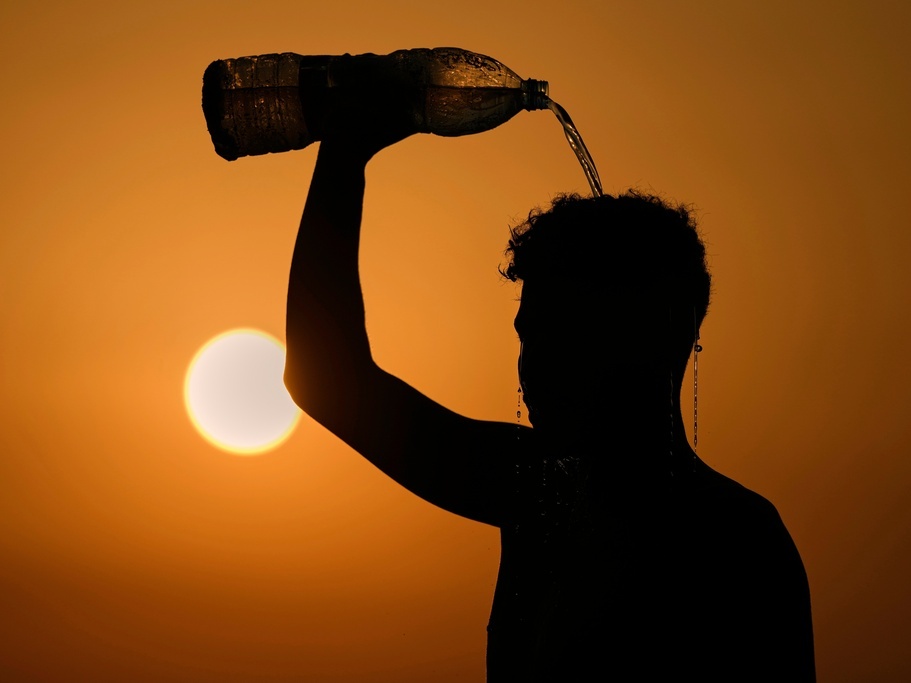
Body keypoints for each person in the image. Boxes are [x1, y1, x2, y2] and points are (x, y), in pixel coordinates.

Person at [283, 96, 815, 681]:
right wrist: (344, 153)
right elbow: (327, 381)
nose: (534, 368)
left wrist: (346, 151)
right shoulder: (538, 488)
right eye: (529, 337)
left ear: (657, 334)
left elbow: (328, 382)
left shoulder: (726, 545)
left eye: (569, 334)